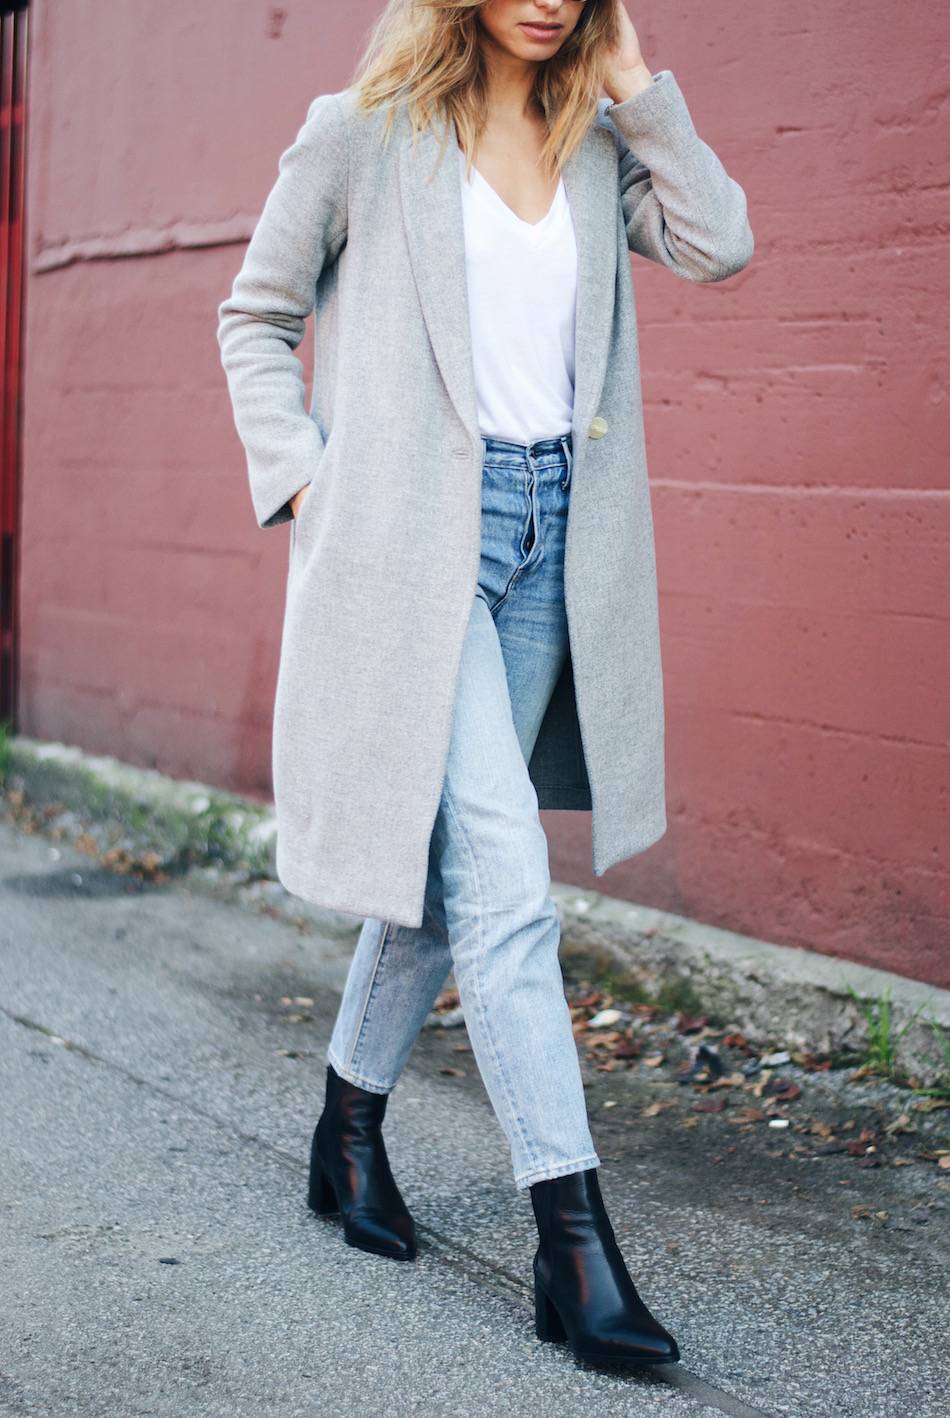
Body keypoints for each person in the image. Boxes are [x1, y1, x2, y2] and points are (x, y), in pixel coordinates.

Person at [217, 0, 753, 1370]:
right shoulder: (359, 138)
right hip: (409, 554)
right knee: (504, 877)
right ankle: (571, 1246)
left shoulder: (591, 138)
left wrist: (640, 89)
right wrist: (305, 477)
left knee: (442, 865)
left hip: (543, 540)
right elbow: (253, 313)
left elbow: (719, 245)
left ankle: (345, 1138)